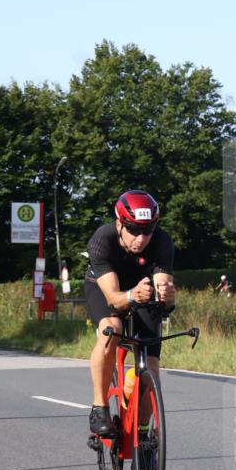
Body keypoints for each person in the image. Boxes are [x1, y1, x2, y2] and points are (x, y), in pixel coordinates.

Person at [84, 190, 176, 445]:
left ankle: (144, 433)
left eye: (147, 230)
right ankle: (99, 407)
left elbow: (161, 294)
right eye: (134, 229)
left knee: (151, 367)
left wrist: (168, 298)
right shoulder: (102, 240)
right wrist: (133, 296)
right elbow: (114, 299)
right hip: (104, 289)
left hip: (141, 292)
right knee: (111, 328)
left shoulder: (162, 242)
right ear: (119, 223)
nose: (141, 238)